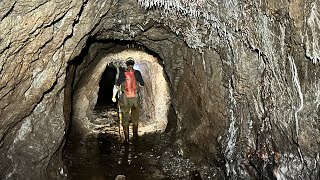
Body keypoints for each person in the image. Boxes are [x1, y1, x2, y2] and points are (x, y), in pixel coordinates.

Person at [112, 57, 144, 144]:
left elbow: (117, 85)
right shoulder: (137, 73)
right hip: (135, 98)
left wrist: (114, 97)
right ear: (133, 64)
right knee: (135, 117)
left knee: (125, 116)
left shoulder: (122, 73)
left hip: (125, 97)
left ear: (126, 64)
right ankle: (135, 136)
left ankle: (126, 139)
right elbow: (142, 84)